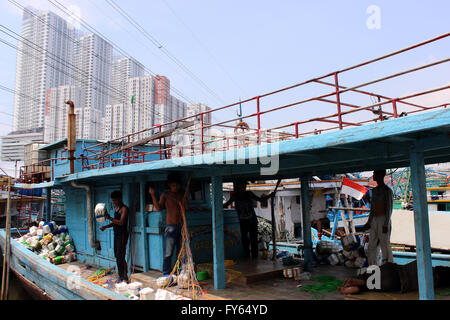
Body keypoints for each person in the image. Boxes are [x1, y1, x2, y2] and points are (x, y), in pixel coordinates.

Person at [148, 173, 189, 277]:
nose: (176, 187)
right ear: (170, 185)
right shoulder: (165, 195)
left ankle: (180, 272)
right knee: (168, 253)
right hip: (171, 227)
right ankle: (166, 273)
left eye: (177, 185)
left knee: (181, 253)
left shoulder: (182, 193)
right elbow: (158, 208)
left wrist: (185, 201)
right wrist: (152, 195)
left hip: (182, 227)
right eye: (173, 185)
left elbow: (187, 208)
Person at [338, 261, 450, 295]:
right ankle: (360, 282)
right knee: (435, 272)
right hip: (394, 271)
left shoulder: (366, 283)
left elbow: (356, 289)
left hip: (395, 280)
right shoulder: (366, 274)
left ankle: (361, 282)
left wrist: (345, 290)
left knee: (434, 275)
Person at [223, 180, 271, 259]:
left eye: (245, 186)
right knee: (245, 239)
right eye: (242, 186)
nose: (244, 188)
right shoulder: (235, 196)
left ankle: (254, 256)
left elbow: (260, 200)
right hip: (243, 221)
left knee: (253, 239)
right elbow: (227, 204)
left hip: (252, 221)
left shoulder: (249, 193)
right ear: (238, 187)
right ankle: (247, 254)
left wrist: (269, 196)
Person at [363, 169, 394, 266]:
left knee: (385, 243)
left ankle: (387, 265)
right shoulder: (374, 191)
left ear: (380, 175)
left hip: (383, 219)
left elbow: (389, 208)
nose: (373, 175)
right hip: (374, 220)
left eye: (375, 173)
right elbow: (373, 208)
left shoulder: (387, 191)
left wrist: (386, 223)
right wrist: (369, 222)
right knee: (372, 245)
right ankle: (373, 265)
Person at [100, 191, 129, 282]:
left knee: (121, 255)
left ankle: (125, 276)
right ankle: (121, 276)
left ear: (120, 199)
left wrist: (109, 218)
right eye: (113, 200)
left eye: (115, 200)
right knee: (117, 255)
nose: (114, 202)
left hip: (122, 234)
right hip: (116, 234)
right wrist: (106, 226)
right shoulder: (116, 208)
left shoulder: (124, 209)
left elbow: (121, 222)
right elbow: (115, 222)